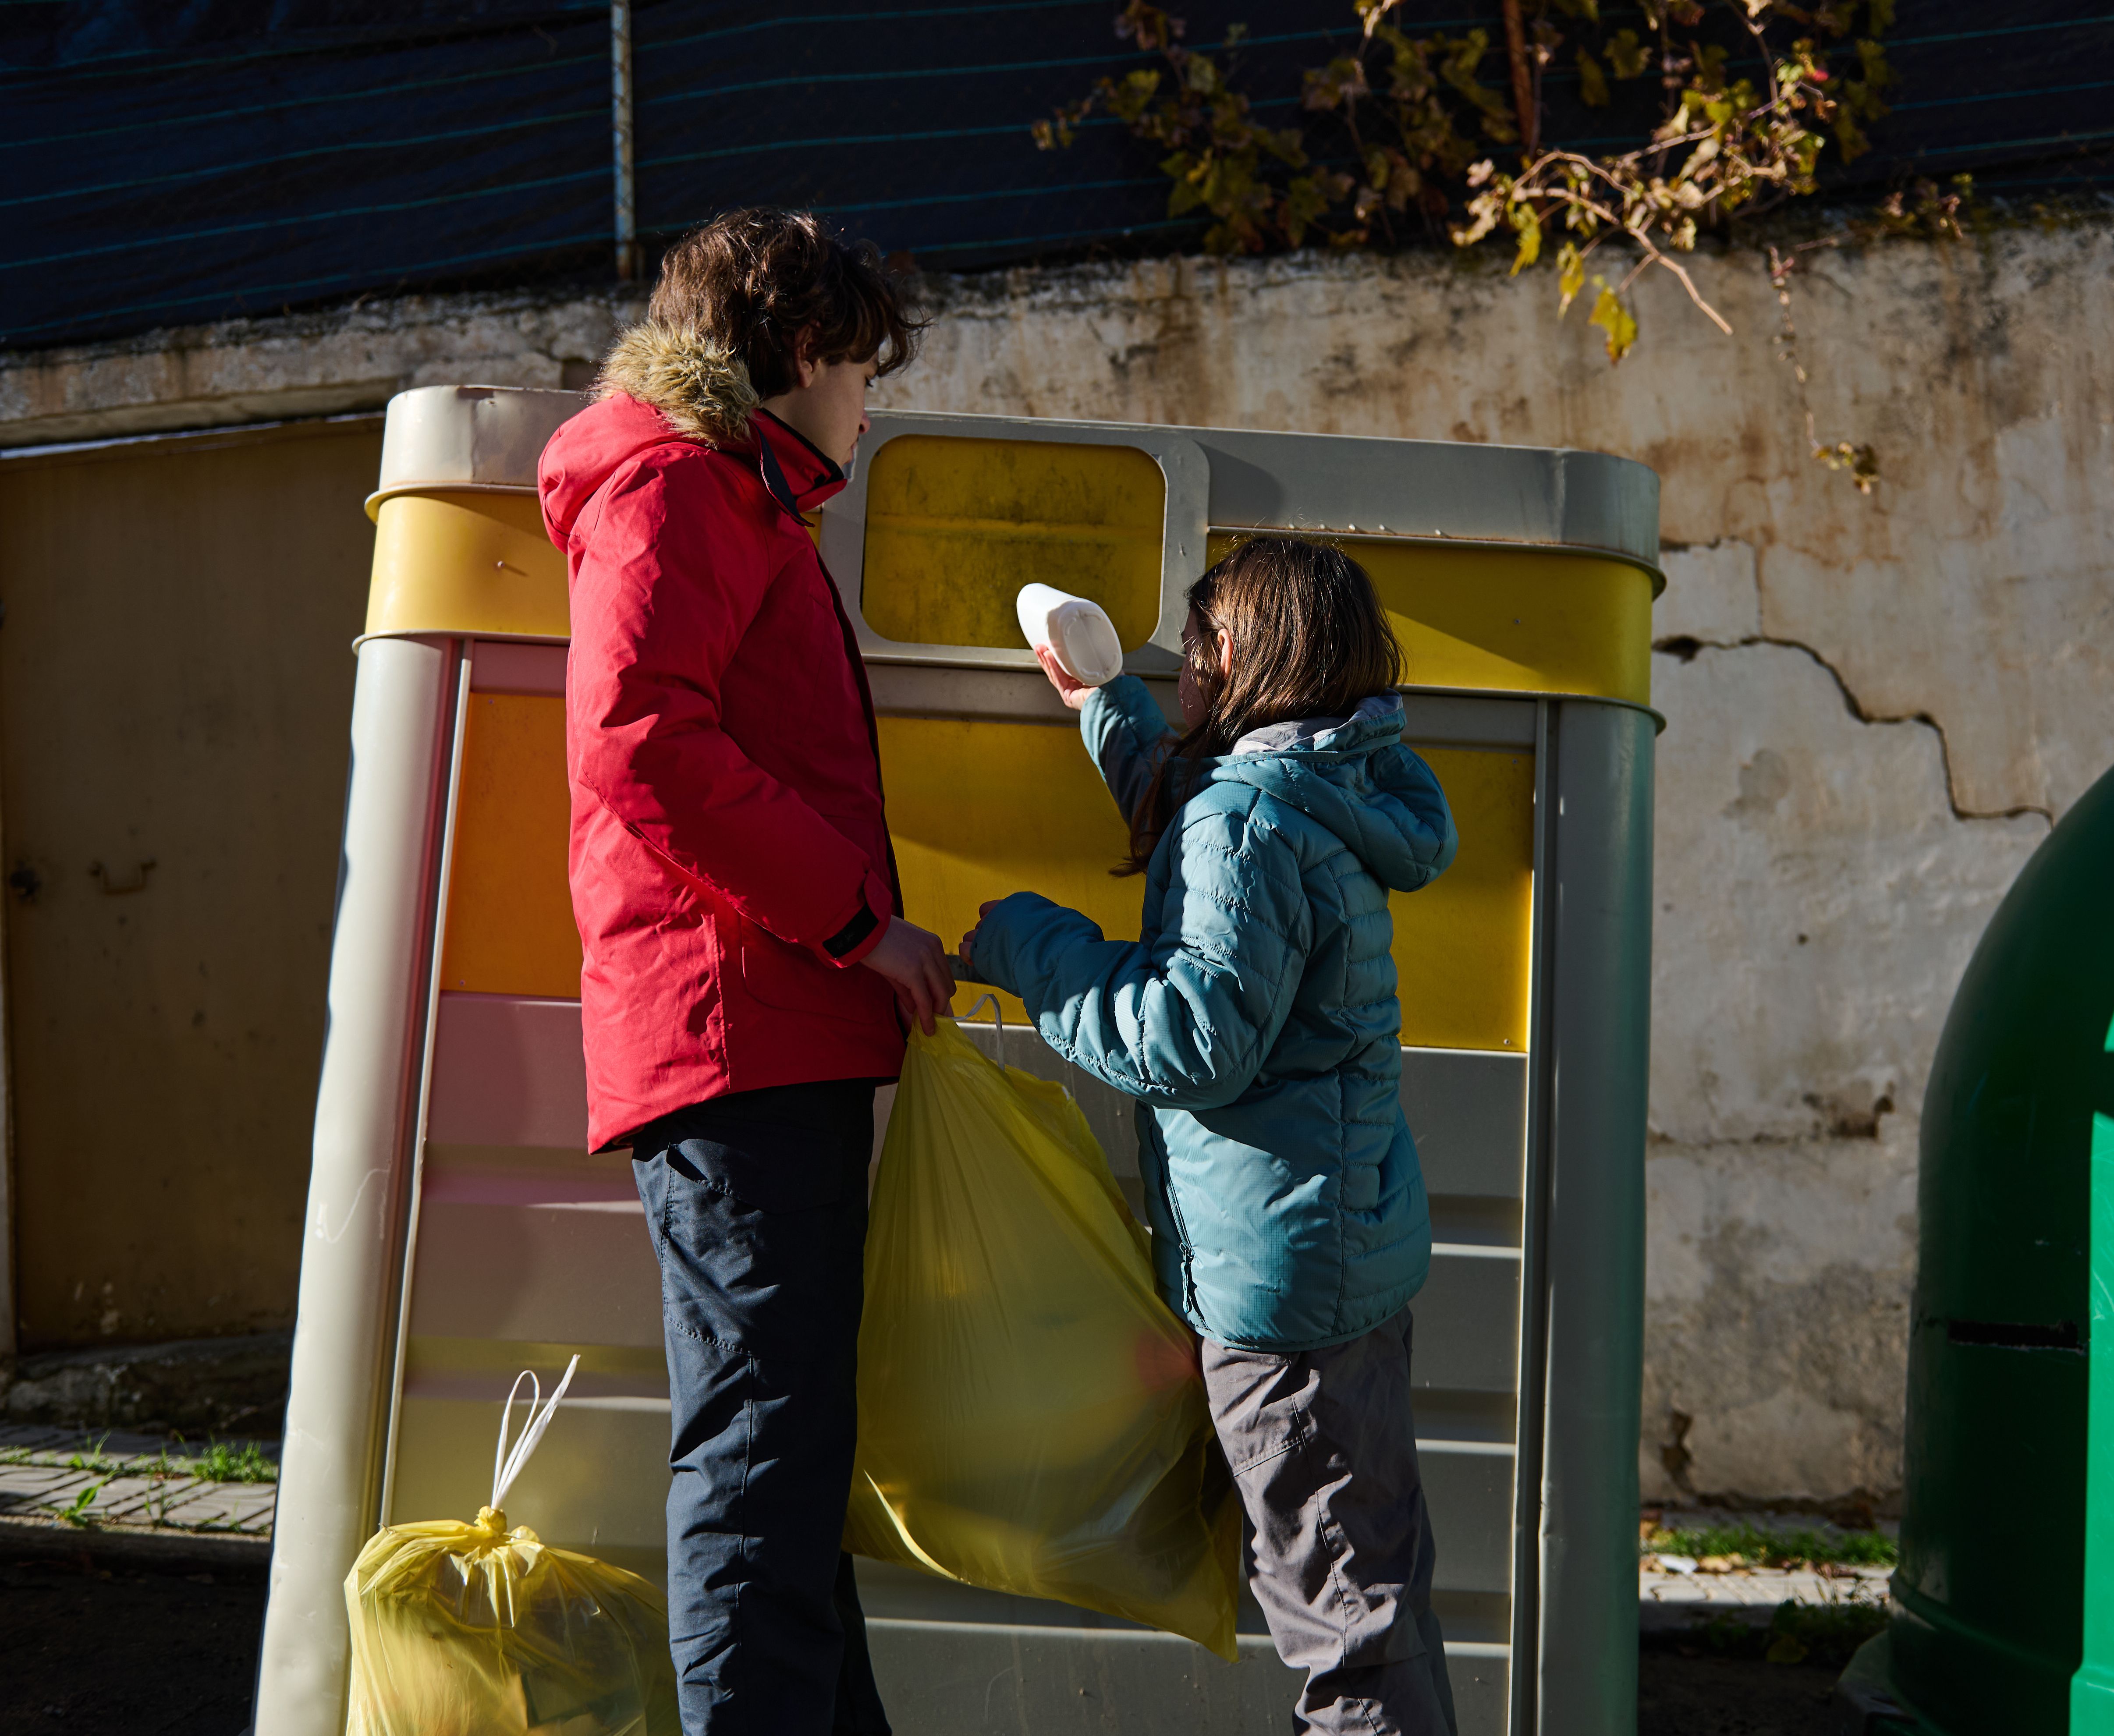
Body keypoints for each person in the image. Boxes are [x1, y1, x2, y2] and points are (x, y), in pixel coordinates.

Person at [537, 207, 952, 1736]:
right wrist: (856, 922)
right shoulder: (680, 486)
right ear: (798, 352)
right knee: (763, 1449)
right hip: (739, 1031)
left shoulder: (727, 492)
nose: (869, 404)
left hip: (761, 1029)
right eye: (861, 368)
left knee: (786, 1451)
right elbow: (642, 744)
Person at [960, 537, 1461, 1736]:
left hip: (1282, 1292)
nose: (1183, 659)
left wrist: (1031, 944)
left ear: (1243, 654)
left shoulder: (1247, 819)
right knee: (1372, 1593)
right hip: (1335, 1251)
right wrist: (1103, 705)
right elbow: (1210, 816)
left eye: (1197, 640)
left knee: (1347, 1624)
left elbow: (1191, 1039)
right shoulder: (1321, 786)